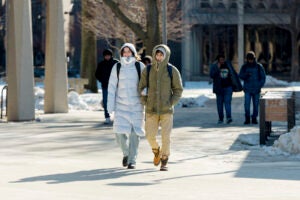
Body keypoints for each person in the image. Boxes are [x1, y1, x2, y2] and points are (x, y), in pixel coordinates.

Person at [138, 44, 183, 171]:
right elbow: (141, 88)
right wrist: (145, 101)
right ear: (154, 55)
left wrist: (171, 102)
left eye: (161, 54)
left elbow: (178, 89)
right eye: (157, 54)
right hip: (151, 109)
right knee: (149, 135)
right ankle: (156, 150)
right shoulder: (147, 70)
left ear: (166, 55)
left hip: (166, 110)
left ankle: (164, 159)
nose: (159, 57)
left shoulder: (172, 70)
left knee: (166, 137)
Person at [107, 43, 145, 169]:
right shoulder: (117, 67)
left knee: (135, 133)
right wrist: (110, 105)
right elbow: (112, 87)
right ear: (122, 53)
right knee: (118, 132)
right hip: (121, 105)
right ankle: (126, 153)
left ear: (133, 53)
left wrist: (145, 95)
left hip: (137, 105)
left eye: (129, 52)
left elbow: (146, 84)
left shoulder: (140, 66)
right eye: (124, 52)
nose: (127, 54)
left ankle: (132, 159)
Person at [239, 51, 266, 125]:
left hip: (256, 89)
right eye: (249, 59)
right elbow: (240, 75)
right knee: (246, 104)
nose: (250, 61)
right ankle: (247, 118)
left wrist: (259, 85)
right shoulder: (244, 66)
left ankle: (254, 118)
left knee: (256, 105)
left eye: (251, 59)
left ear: (254, 59)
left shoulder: (258, 66)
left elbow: (263, 77)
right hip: (247, 89)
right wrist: (246, 75)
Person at [95, 49, 118, 124]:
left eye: (108, 55)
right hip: (105, 86)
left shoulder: (116, 63)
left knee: (117, 101)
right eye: (106, 56)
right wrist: (102, 80)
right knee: (105, 101)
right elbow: (97, 74)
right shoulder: (101, 64)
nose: (107, 57)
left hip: (116, 86)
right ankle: (107, 117)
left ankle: (117, 116)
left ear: (111, 55)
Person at [210, 54, 234, 124]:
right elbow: (211, 75)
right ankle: (220, 118)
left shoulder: (228, 65)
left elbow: (233, 74)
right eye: (220, 60)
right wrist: (217, 68)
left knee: (227, 103)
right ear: (218, 60)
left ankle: (229, 117)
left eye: (223, 59)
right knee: (219, 105)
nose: (222, 61)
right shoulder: (214, 66)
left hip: (228, 87)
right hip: (219, 88)